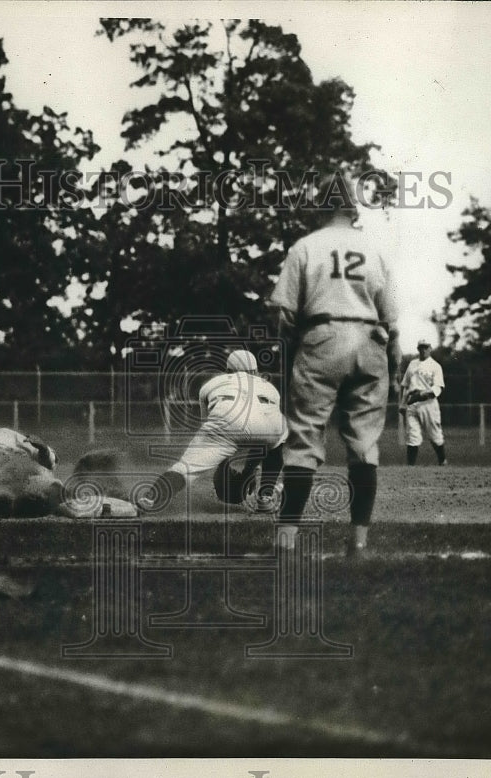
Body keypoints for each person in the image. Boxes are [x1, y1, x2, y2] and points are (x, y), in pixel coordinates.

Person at [268, 171, 401, 556]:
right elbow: (392, 320)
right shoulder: (373, 249)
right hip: (370, 338)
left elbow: (284, 316)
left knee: (304, 441)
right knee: (364, 445)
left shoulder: (306, 246)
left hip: (322, 335)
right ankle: (359, 543)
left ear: (321, 208)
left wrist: (292, 353)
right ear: (353, 209)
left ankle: (286, 540)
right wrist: (393, 360)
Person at [137, 349, 287, 513]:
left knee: (186, 467)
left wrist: (224, 466)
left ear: (228, 370)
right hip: (272, 427)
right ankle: (265, 497)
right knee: (278, 443)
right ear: (255, 371)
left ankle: (152, 497)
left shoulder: (212, 384)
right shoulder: (269, 387)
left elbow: (210, 424)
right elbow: (260, 430)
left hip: (226, 423)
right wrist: (248, 472)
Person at [400, 339, 447, 466]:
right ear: (418, 349)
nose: (423, 350)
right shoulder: (412, 364)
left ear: (430, 348)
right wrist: (403, 403)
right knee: (412, 435)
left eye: (426, 347)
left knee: (435, 435)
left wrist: (422, 395)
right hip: (412, 403)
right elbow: (406, 385)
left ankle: (442, 461)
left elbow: (438, 388)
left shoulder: (435, 366)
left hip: (428, 403)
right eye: (421, 347)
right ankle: (410, 467)